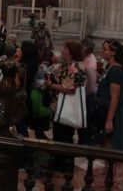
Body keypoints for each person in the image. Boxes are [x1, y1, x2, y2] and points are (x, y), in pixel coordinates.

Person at [44, 40, 86, 172]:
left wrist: (51, 85)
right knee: (59, 137)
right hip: (59, 106)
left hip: (65, 107)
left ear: (71, 51)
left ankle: (64, 169)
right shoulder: (68, 65)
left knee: (64, 139)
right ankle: (60, 167)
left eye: (65, 48)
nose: (62, 50)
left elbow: (69, 89)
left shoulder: (73, 67)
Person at [97, 39, 123, 151]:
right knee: (106, 148)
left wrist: (109, 120)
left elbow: (115, 97)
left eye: (105, 49)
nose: (102, 51)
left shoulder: (116, 70)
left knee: (112, 148)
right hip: (105, 112)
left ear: (113, 52)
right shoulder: (110, 67)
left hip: (113, 115)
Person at [78, 38, 98, 145]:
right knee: (82, 121)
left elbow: (91, 83)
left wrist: (86, 94)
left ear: (86, 49)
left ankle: (85, 143)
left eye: (81, 47)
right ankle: (82, 141)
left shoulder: (91, 62)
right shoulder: (85, 58)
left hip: (87, 96)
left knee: (86, 121)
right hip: (83, 94)